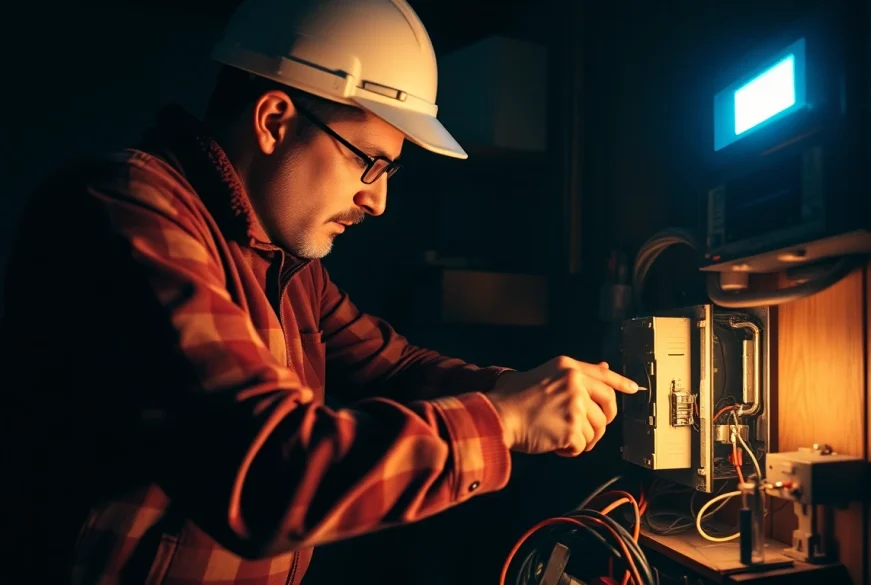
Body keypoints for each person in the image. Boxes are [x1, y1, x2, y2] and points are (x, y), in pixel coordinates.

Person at [0, 0, 638, 584]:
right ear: (275, 120)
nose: (378, 200)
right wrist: (506, 421)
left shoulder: (284, 264)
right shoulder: (128, 209)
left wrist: (524, 390)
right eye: (368, 161)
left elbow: (395, 367)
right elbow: (267, 473)